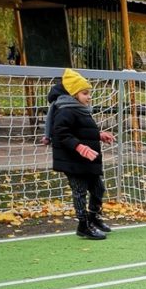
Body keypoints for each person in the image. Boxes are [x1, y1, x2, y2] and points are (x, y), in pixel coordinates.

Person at [51, 69, 115, 241]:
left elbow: (82, 130)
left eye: (89, 93)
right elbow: (61, 133)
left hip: (87, 161)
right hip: (73, 161)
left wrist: (99, 135)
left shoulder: (80, 109)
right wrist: (80, 147)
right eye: (85, 93)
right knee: (79, 191)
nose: (89, 97)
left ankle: (94, 217)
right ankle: (83, 225)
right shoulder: (65, 110)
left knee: (98, 188)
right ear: (73, 94)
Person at [41, 78, 68, 146]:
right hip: (61, 139)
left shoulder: (80, 104)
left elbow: (49, 119)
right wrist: (47, 136)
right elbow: (49, 119)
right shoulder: (56, 104)